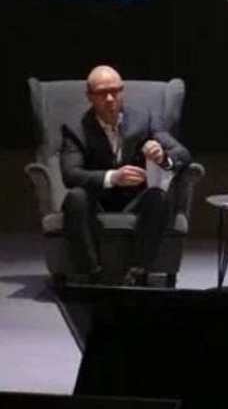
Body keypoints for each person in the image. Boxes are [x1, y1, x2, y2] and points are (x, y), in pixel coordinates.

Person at [58, 65, 190, 286]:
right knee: (75, 198)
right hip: (96, 202)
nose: (110, 99)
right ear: (90, 97)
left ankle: (137, 271)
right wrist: (113, 177)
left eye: (115, 91)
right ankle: (92, 273)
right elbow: (70, 174)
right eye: (102, 93)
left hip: (133, 200)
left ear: (122, 91)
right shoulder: (76, 129)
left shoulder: (142, 119)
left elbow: (183, 154)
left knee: (158, 198)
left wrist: (162, 157)